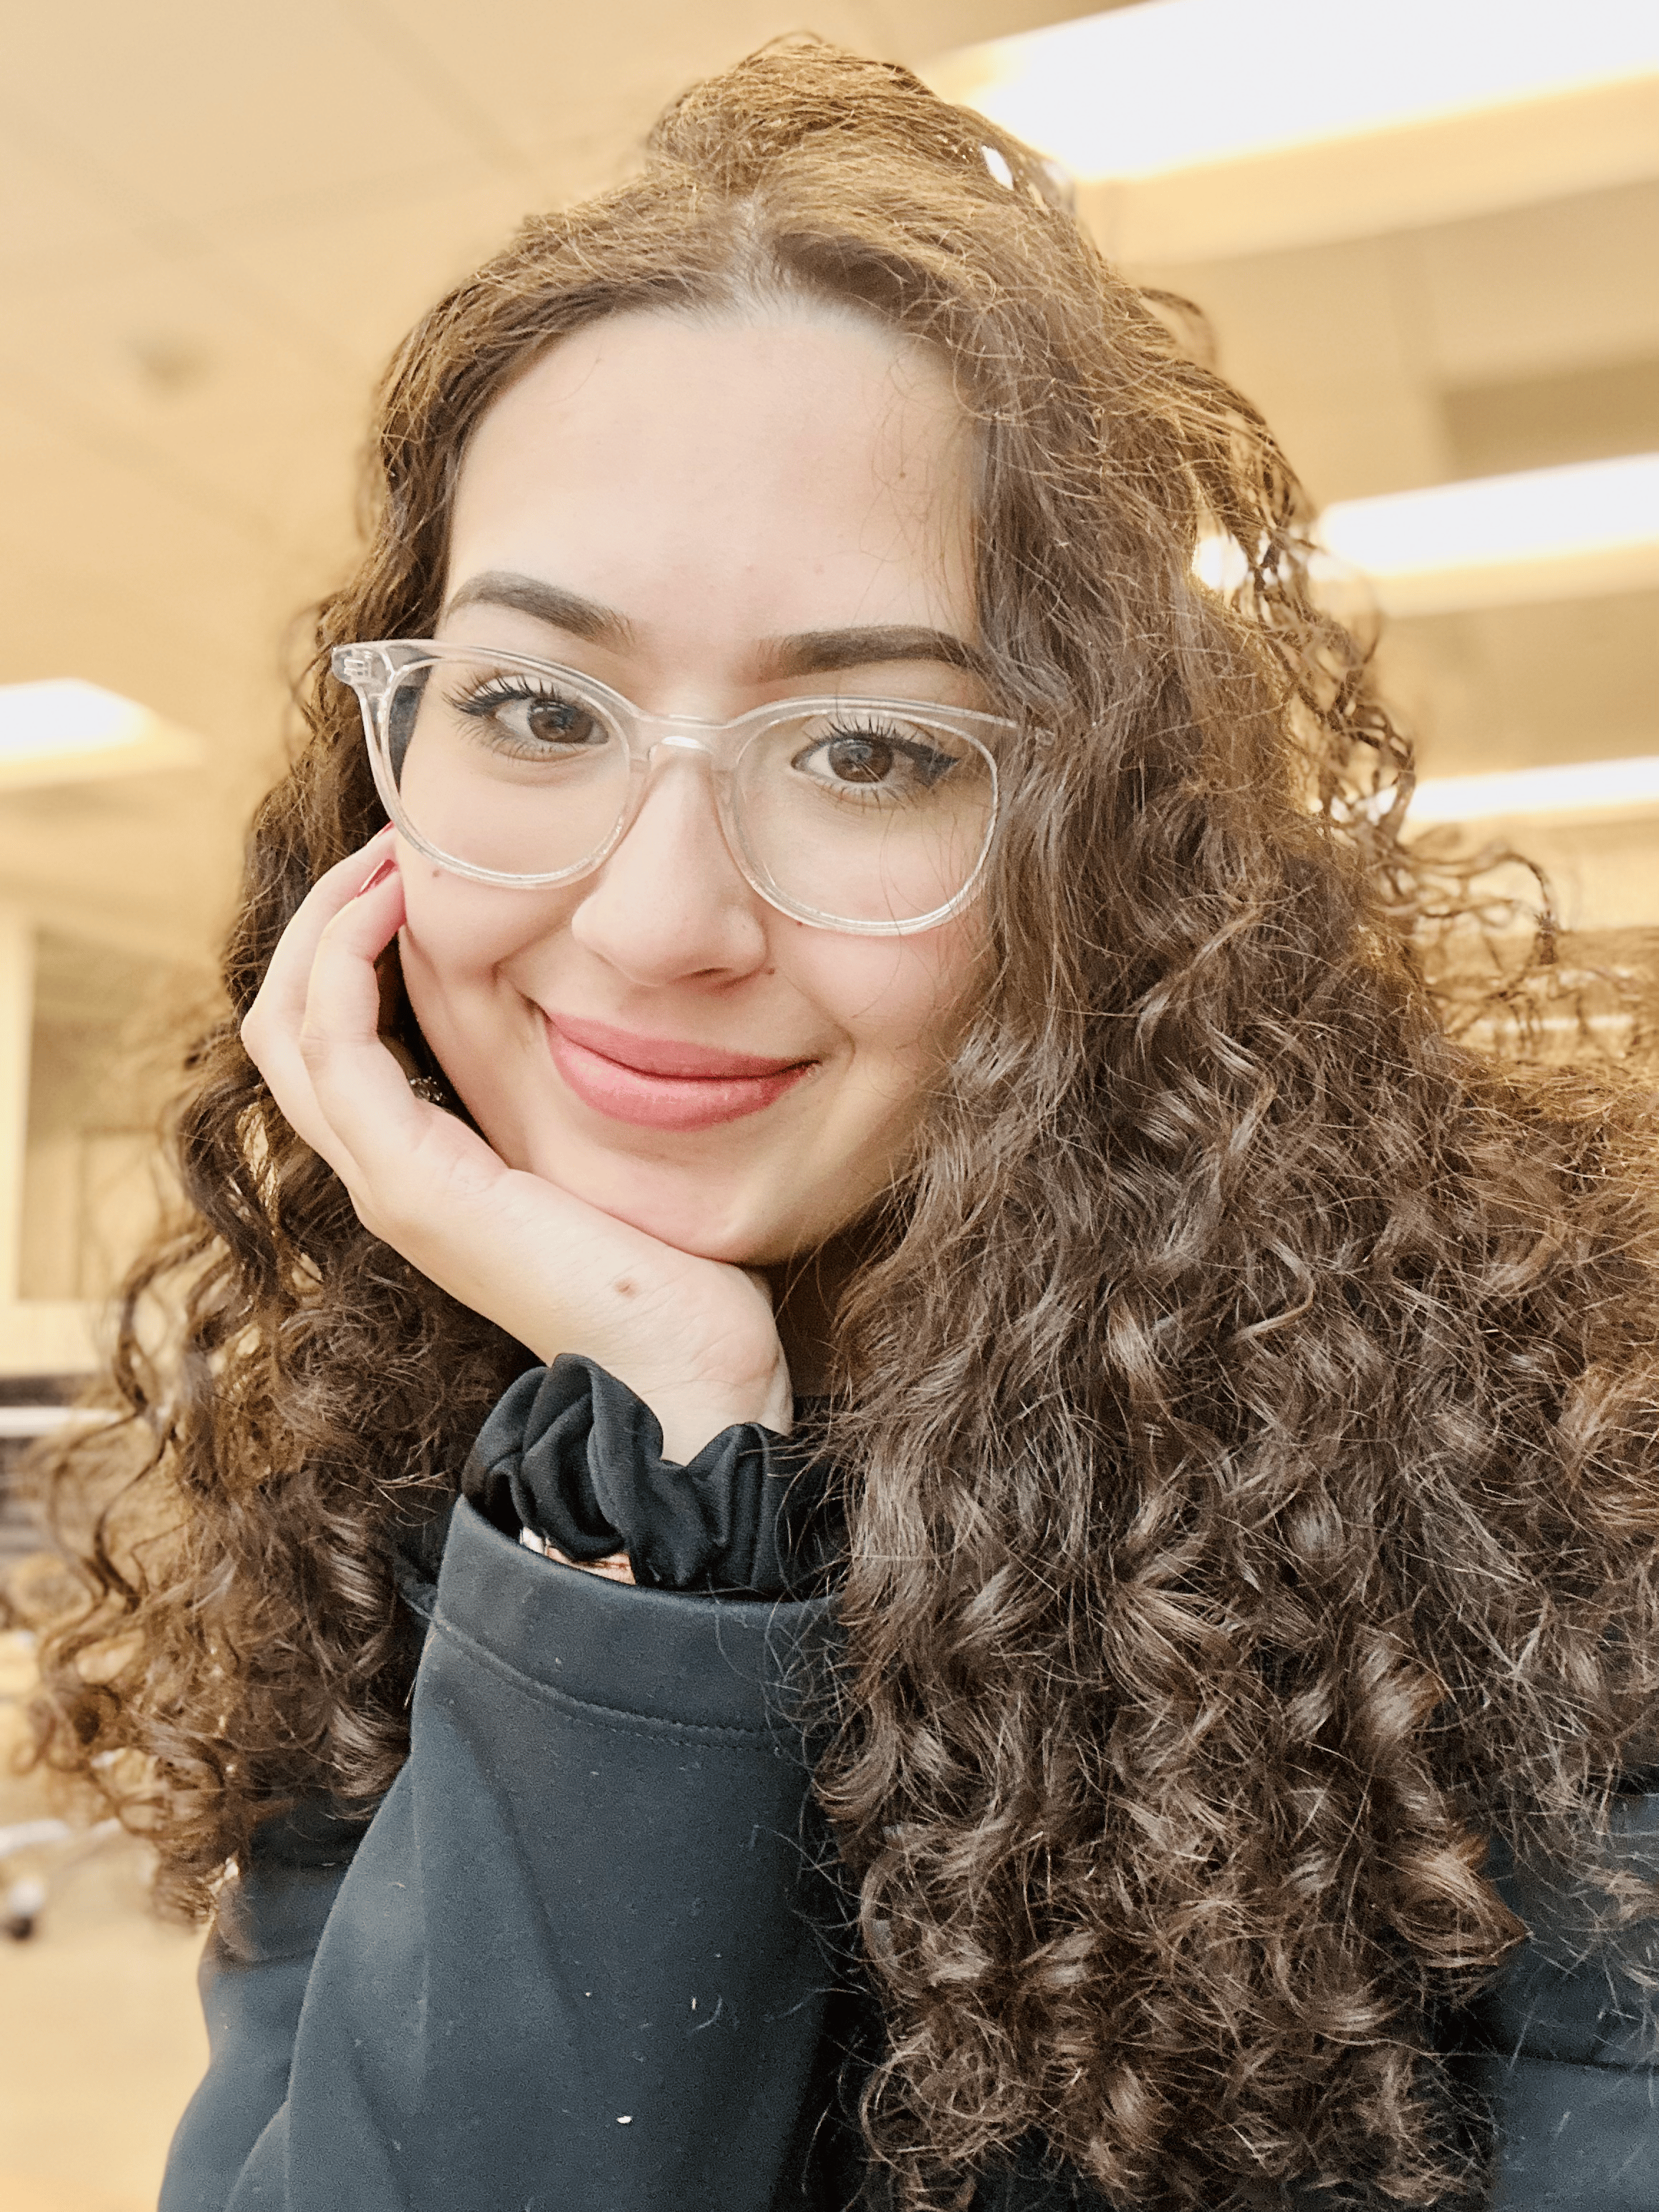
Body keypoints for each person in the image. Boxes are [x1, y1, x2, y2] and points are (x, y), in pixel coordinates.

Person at [28, 40, 1659, 2212]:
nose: (657, 919)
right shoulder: (399, 1448)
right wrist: (653, 1471)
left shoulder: (1566, 1500)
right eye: (533, 708)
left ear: (1116, 847)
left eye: (873, 749)